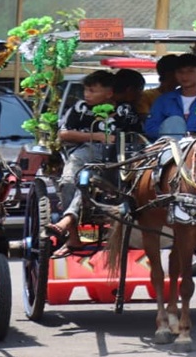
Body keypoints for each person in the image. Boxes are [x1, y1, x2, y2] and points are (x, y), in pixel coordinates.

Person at [49, 70, 116, 255]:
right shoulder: (79, 108)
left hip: (114, 159)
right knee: (69, 182)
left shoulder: (123, 111)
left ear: (109, 93)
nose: (87, 94)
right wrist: (96, 136)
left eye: (92, 90)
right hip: (83, 153)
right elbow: (63, 134)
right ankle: (73, 236)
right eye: (85, 90)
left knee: (88, 182)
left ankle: (67, 220)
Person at [143, 53, 196, 138]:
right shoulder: (163, 100)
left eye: (190, 71)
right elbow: (150, 128)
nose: (184, 76)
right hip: (170, 145)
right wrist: (171, 132)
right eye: (180, 72)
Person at [111, 68, 147, 141]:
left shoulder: (99, 105)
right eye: (140, 90)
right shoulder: (128, 109)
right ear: (130, 90)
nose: (141, 94)